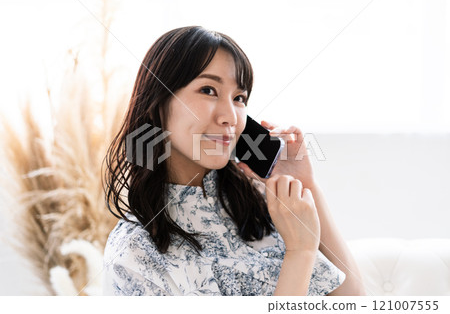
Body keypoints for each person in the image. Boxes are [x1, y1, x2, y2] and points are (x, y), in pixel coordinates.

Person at [102, 25, 365, 296]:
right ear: (159, 102)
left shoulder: (258, 203)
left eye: (239, 98)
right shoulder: (135, 252)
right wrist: (299, 254)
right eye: (208, 90)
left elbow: (356, 302)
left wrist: (306, 184)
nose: (230, 116)